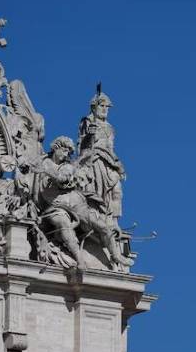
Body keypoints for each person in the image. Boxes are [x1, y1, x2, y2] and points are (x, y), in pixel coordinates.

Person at [34, 136, 133, 270]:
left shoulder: (67, 166)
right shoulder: (41, 162)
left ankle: (116, 255)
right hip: (55, 207)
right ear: (56, 148)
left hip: (76, 203)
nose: (66, 155)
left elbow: (63, 179)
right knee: (64, 224)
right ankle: (79, 259)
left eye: (69, 153)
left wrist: (46, 172)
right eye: (64, 151)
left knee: (102, 226)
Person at [77, 89, 124, 223]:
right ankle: (98, 216)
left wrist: (119, 165)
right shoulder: (87, 122)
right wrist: (89, 135)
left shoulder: (110, 127)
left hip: (109, 162)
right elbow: (82, 145)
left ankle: (113, 221)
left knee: (117, 190)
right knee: (98, 192)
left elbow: (110, 148)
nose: (105, 109)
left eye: (106, 107)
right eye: (101, 106)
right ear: (94, 107)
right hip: (95, 160)